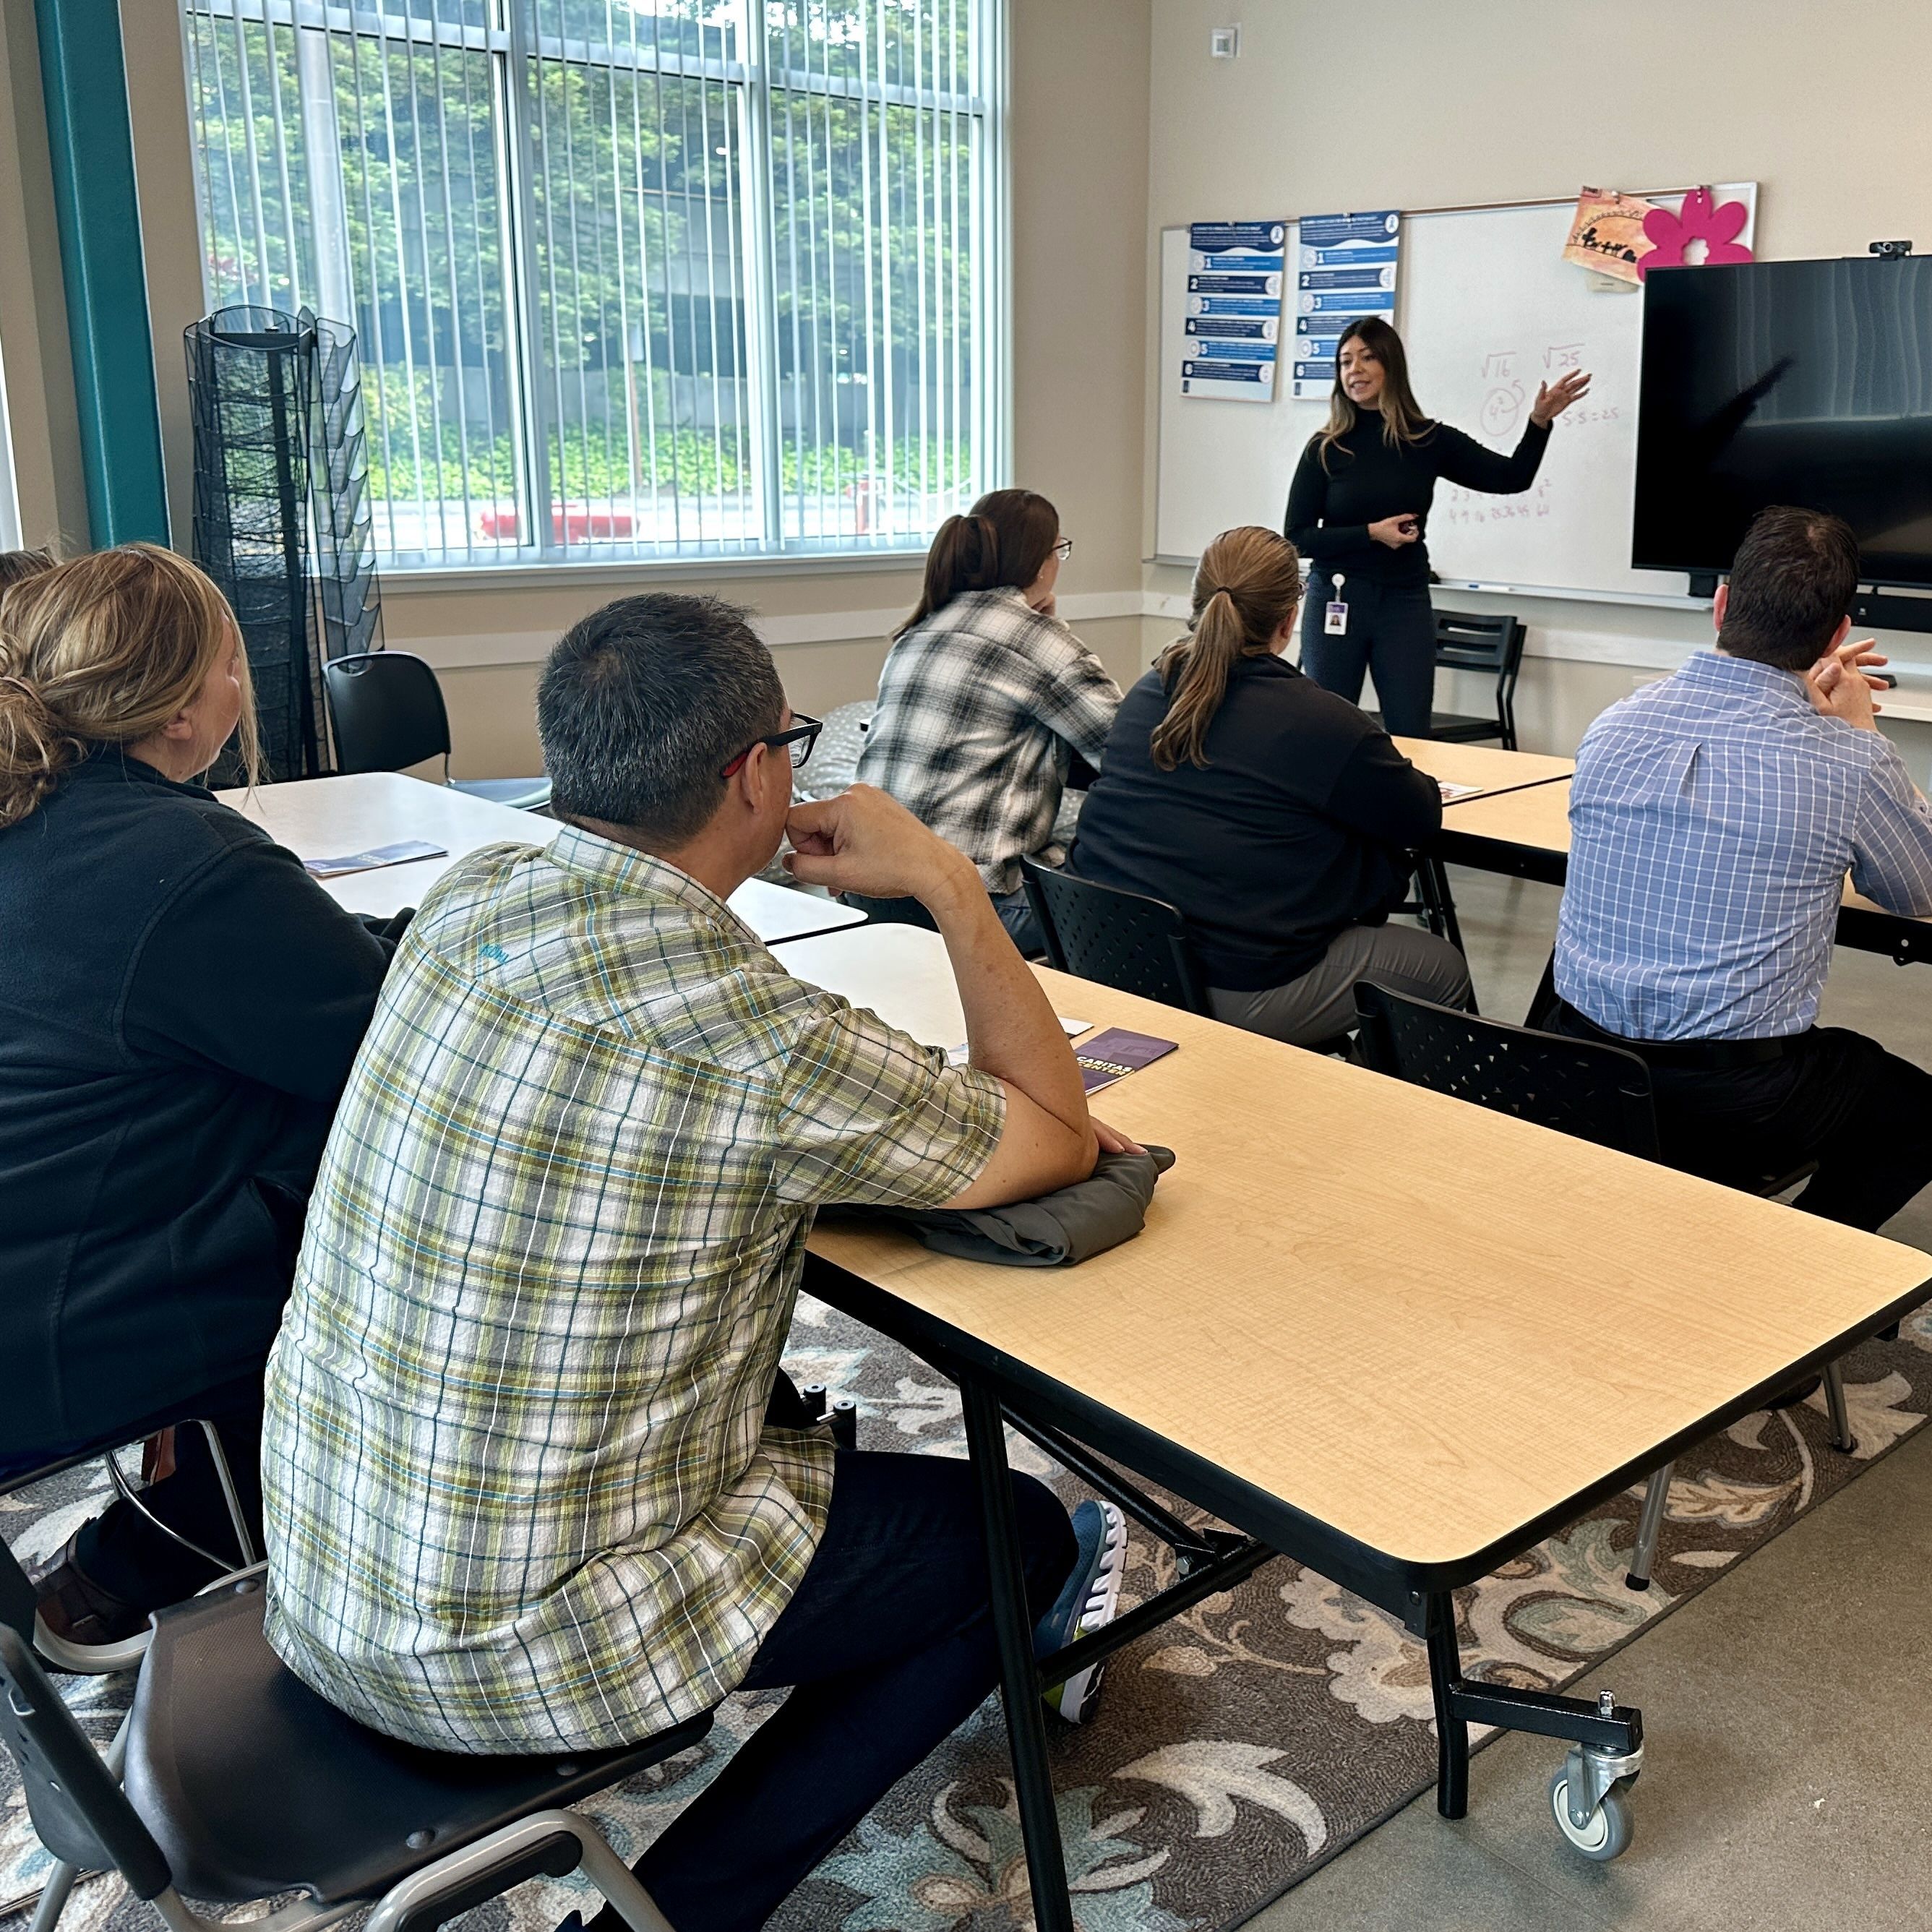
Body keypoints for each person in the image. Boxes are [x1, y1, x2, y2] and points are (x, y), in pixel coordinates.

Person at [260, 591, 1134, 1932]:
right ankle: (672, 1913)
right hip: (501, 1636)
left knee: (810, 1452)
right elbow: (1053, 1133)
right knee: (1007, 1539)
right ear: (755, 771)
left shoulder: (472, 895)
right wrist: (949, 880)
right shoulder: (749, 1029)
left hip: (325, 1570)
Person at [0, 544, 406, 1644]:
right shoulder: (182, 860)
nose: (246, 686)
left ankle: (146, 1546)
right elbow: (397, 1054)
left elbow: (283, 980)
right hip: (62, 1324)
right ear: (184, 707)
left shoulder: (46, 823)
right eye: (235, 661)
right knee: (400, 1190)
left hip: (36, 1264)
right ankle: (233, 1542)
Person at [1550, 505, 1932, 1232]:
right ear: (1839, 634)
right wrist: (1859, 728)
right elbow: (1919, 890)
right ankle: (1793, 1271)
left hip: (1576, 1067)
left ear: (1722, 603)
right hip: (1734, 1100)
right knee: (1917, 1114)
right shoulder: (1847, 763)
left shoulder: (1613, 725)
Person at [1068, 526, 1471, 1045]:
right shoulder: (1318, 720)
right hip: (1233, 987)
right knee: (1440, 966)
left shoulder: (1149, 692)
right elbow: (1419, 815)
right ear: (1289, 618)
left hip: (1113, 955)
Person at [1284, 315, 1591, 736]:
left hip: (1403, 601)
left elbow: (1512, 478)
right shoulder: (1326, 447)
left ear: (1390, 365)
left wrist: (1538, 423)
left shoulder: (1427, 439)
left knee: (1412, 732)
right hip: (1338, 598)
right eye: (1345, 362)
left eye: (1367, 358)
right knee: (1327, 730)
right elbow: (1297, 537)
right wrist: (1371, 533)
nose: (1354, 370)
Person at [852, 488, 1121, 953]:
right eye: (1061, 550)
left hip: (873, 893)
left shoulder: (918, 630)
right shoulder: (1038, 641)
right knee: (1132, 910)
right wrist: (1052, 631)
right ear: (1042, 563)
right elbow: (1124, 750)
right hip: (965, 905)